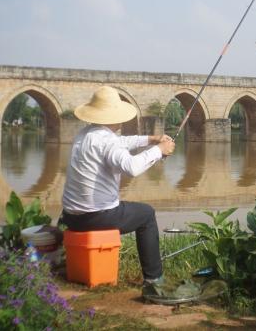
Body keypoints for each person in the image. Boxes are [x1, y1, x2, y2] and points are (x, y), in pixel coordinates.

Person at [61, 86, 175, 288]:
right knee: (146, 214)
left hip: (70, 217)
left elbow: (120, 142)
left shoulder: (85, 135)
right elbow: (131, 167)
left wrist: (151, 139)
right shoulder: (106, 141)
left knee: (131, 209)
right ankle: (154, 279)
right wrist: (159, 150)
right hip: (95, 216)